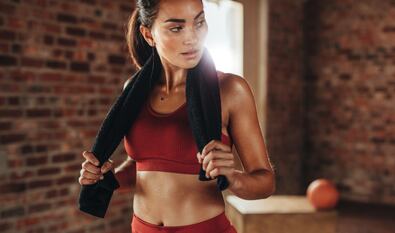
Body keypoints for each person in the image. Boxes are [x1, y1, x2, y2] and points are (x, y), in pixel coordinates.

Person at [78, 0, 276, 232]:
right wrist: (106, 177)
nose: (192, 37)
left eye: (199, 22)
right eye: (176, 28)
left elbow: (265, 182)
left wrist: (232, 177)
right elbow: (144, 166)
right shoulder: (134, 90)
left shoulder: (230, 90)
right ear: (148, 35)